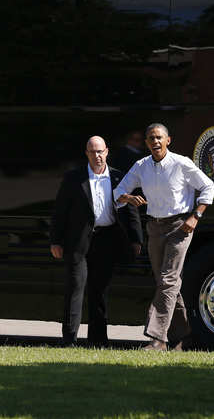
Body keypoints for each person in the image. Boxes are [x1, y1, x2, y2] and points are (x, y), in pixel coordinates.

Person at [114, 123, 214, 351]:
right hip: (154, 228)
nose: (155, 142)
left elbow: (208, 187)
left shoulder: (181, 163)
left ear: (168, 140)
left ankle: (157, 338)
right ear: (146, 143)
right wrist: (128, 198)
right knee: (167, 283)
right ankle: (183, 337)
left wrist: (195, 216)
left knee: (168, 280)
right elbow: (117, 193)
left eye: (159, 138)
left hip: (180, 226)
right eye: (151, 138)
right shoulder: (141, 166)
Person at [50, 136, 143, 347]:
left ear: (107, 152)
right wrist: (56, 240)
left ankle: (98, 340)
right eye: (93, 152)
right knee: (76, 288)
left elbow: (131, 211)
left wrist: (136, 239)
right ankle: (69, 338)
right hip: (79, 242)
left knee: (99, 291)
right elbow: (60, 211)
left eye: (100, 151)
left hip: (106, 240)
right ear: (87, 154)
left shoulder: (120, 178)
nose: (97, 156)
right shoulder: (74, 178)